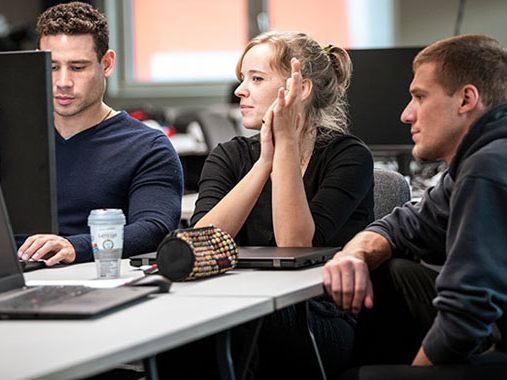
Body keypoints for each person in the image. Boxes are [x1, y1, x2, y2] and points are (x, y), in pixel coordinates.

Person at [189, 31, 374, 377]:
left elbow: (295, 246)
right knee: (190, 327)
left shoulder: (348, 157)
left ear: (299, 89)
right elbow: (202, 245)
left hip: (319, 314)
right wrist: (263, 165)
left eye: (256, 79)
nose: (240, 91)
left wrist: (286, 143)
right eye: (242, 78)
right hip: (240, 303)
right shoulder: (229, 156)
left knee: (248, 326)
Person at [322, 34, 507, 380]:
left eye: (420, 97)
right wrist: (355, 255)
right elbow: (404, 226)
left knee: (355, 378)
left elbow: (467, 312)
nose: (407, 115)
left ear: (466, 99)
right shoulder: (479, 159)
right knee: (392, 271)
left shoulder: (489, 167)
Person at [17, 2, 183, 266]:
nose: (62, 82)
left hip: (96, 279)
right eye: (52, 66)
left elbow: (154, 228)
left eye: (78, 67)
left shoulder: (147, 147)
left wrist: (77, 246)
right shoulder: (13, 139)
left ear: (106, 64)